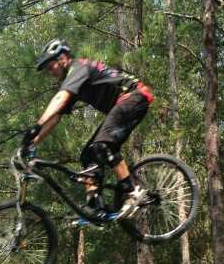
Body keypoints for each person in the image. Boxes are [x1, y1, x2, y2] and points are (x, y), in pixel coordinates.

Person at [23, 39, 155, 221]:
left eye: (50, 66)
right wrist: (33, 143)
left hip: (135, 96)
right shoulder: (73, 81)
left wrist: (36, 125)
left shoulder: (79, 68)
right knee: (87, 155)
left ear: (62, 58)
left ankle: (133, 192)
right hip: (123, 104)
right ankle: (95, 205)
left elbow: (60, 98)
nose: (50, 72)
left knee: (102, 145)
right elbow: (56, 117)